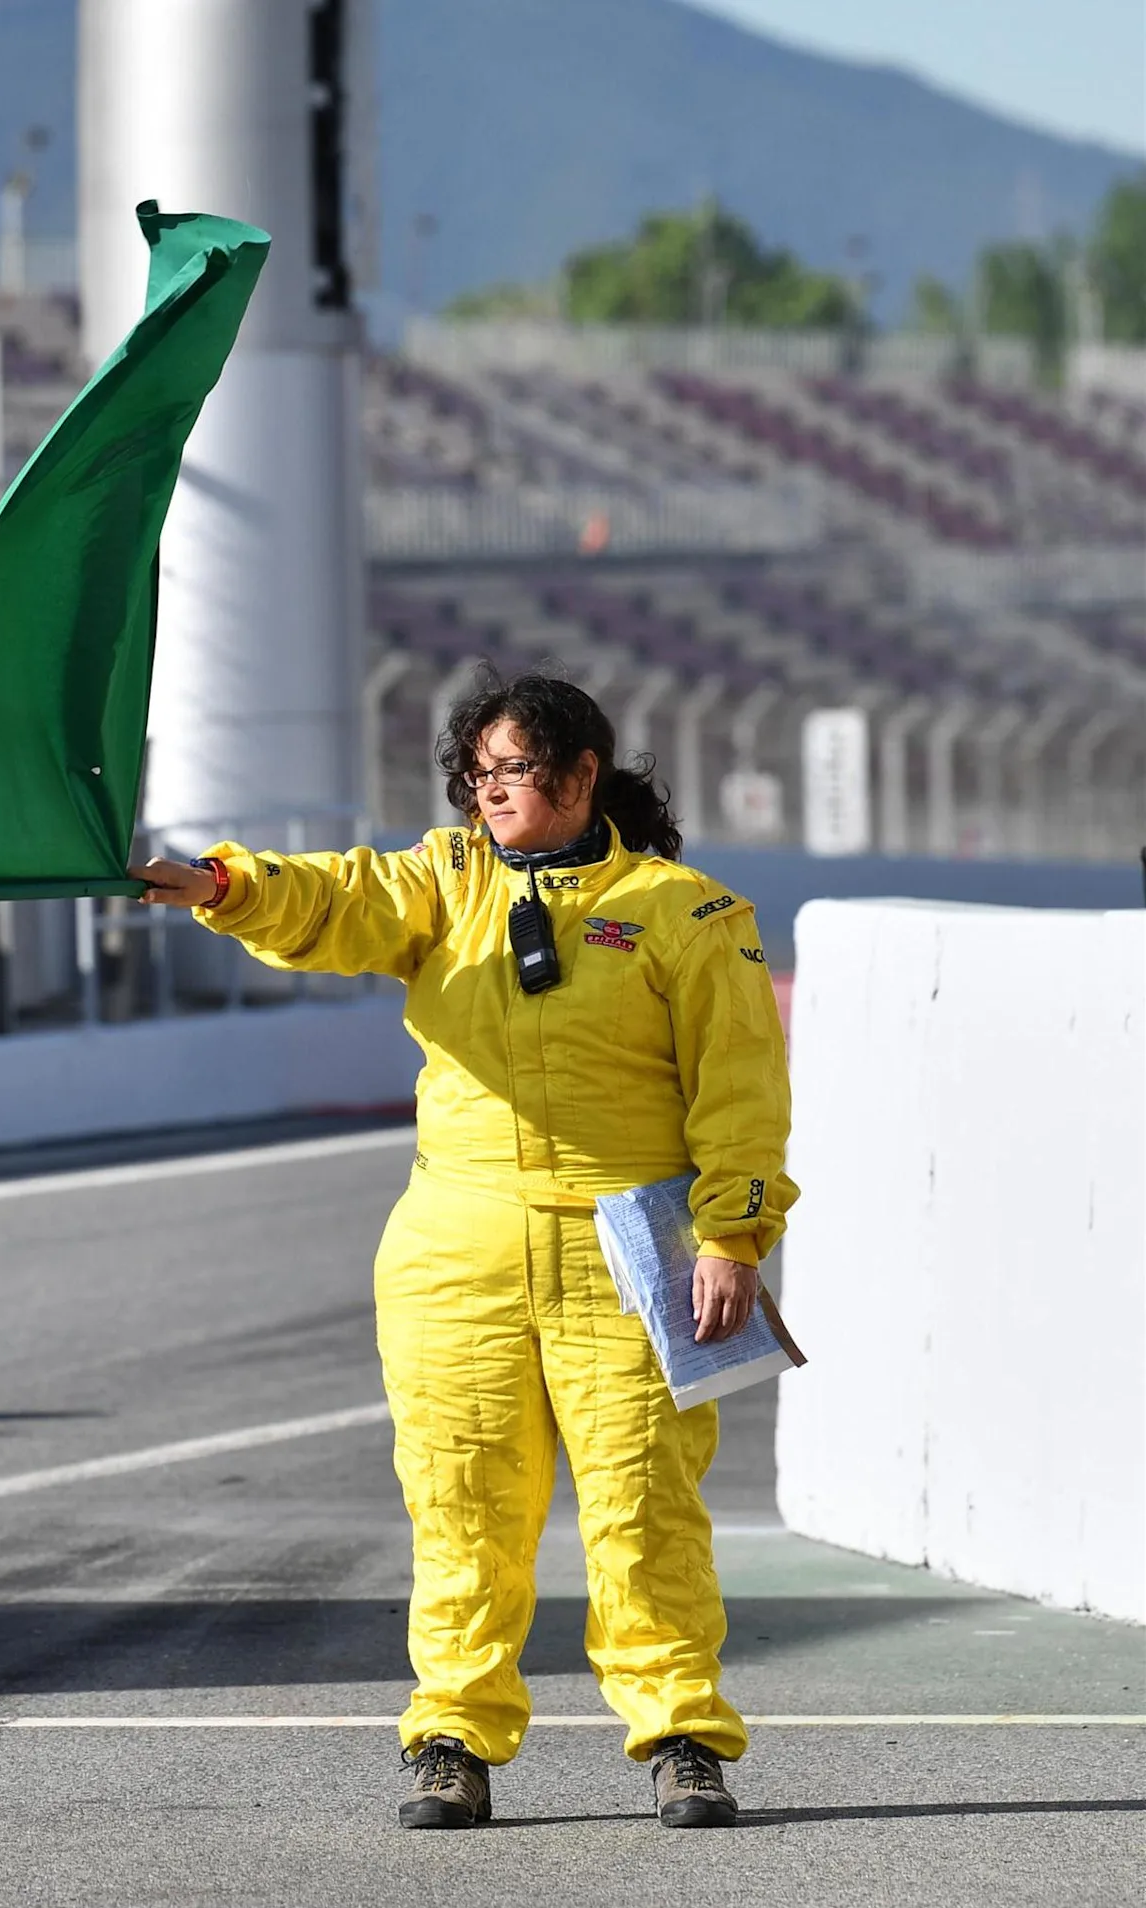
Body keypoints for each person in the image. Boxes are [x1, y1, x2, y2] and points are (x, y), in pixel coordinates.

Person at [131, 672, 793, 1833]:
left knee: (641, 1509)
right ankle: (450, 1738)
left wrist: (733, 1237)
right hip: (455, 1250)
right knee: (459, 1505)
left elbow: (738, 1092)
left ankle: (681, 1736)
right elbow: (331, 900)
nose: (490, 792)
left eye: (514, 770)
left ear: (581, 775)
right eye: (475, 773)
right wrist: (220, 886)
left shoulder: (684, 912)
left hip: (627, 1244)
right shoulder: (440, 882)